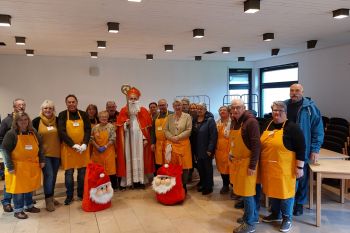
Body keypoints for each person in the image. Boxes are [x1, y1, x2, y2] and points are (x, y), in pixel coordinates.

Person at [261, 101, 305, 233]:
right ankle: (276, 214)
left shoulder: (293, 128)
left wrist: (300, 167)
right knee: (273, 193)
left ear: (285, 112)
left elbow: (301, 148)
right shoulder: (267, 124)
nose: (277, 113)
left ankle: (287, 218)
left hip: (286, 170)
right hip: (269, 168)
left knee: (286, 195)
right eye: (275, 110)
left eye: (280, 111)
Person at [285, 84, 324, 216]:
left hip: (303, 148)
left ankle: (299, 203)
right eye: (292, 90)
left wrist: (315, 149)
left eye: (297, 91)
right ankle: (286, 201)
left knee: (301, 177)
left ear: (302, 92)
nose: (294, 93)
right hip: (285, 148)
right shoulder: (284, 106)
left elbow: (318, 130)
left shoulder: (311, 108)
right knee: (286, 177)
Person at [2, 112, 45, 219]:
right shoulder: (11, 134)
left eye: (25, 119)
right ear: (16, 122)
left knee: (29, 187)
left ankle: (29, 206)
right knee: (19, 189)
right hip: (17, 167)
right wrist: (10, 166)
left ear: (28, 121)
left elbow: (40, 146)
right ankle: (18, 210)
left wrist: (42, 159)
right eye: (20, 120)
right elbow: (4, 150)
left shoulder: (33, 131)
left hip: (31, 166)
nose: (23, 122)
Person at [229, 99, 260, 233]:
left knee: (248, 194)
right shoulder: (235, 121)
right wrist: (231, 152)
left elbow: (256, 145)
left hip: (248, 163)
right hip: (238, 162)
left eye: (238, 108)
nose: (235, 110)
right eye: (233, 108)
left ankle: (250, 223)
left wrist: (252, 165)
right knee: (243, 192)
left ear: (244, 108)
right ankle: (248, 215)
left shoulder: (251, 122)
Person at [116, 87, 154, 188]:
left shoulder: (143, 111)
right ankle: (130, 180)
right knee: (129, 158)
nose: (133, 101)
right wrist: (125, 125)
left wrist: (145, 138)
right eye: (131, 99)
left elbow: (148, 129)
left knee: (140, 158)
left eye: (135, 99)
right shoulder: (124, 110)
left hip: (139, 140)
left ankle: (140, 180)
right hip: (128, 140)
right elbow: (119, 128)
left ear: (138, 99)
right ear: (128, 99)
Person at [58, 94, 91, 205]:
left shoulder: (83, 114)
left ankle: (81, 194)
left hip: (82, 149)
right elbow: (62, 131)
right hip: (69, 148)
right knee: (69, 173)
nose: (71, 104)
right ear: (66, 103)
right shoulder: (62, 115)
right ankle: (69, 196)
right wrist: (73, 145)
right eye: (69, 102)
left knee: (82, 173)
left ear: (77, 102)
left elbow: (87, 129)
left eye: (73, 102)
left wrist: (85, 144)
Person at [32, 100, 61, 211]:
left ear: (53, 109)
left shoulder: (58, 120)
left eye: (50, 108)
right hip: (44, 155)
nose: (48, 110)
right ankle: (48, 200)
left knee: (53, 177)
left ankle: (51, 197)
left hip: (57, 154)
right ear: (42, 109)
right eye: (45, 108)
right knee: (48, 176)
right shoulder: (36, 121)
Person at [0, 98, 26, 212]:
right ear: (14, 107)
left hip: (21, 155)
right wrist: (6, 152)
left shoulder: (25, 119)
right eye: (19, 105)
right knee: (10, 178)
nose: (21, 107)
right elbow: (0, 137)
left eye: (23, 105)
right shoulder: (6, 121)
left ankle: (23, 200)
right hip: (9, 154)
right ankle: (6, 201)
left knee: (21, 179)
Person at [164, 99, 192, 193]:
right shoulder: (169, 117)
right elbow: (165, 129)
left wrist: (178, 137)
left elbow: (188, 130)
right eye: (175, 105)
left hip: (183, 145)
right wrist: (172, 137)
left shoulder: (187, 116)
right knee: (173, 166)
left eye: (179, 105)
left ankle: (183, 185)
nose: (177, 107)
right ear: (173, 107)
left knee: (184, 166)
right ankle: (174, 184)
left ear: (182, 106)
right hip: (172, 144)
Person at [192, 103, 217, 195]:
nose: (199, 110)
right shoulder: (194, 120)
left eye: (201, 108)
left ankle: (209, 187)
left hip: (206, 150)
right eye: (198, 108)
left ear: (205, 109)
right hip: (197, 149)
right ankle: (203, 184)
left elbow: (213, 136)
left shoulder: (210, 120)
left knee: (208, 169)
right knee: (200, 169)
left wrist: (210, 149)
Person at [90, 111, 117, 190]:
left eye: (105, 117)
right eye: (102, 117)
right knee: (99, 170)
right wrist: (97, 147)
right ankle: (99, 186)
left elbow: (113, 138)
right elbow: (91, 139)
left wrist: (105, 146)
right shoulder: (95, 128)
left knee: (110, 170)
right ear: (99, 118)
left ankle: (112, 187)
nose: (104, 118)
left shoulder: (111, 127)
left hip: (109, 151)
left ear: (108, 118)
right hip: (97, 153)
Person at [151, 99, 173, 172]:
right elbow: (153, 131)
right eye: (160, 105)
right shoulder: (155, 116)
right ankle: (161, 178)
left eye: (163, 105)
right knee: (159, 162)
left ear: (167, 105)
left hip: (169, 143)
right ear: (158, 107)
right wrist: (153, 143)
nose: (162, 107)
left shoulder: (172, 114)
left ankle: (170, 178)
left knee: (168, 160)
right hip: (158, 143)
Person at [215, 106, 231, 194]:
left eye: (224, 110)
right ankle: (225, 185)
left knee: (231, 169)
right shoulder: (217, 122)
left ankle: (233, 186)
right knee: (222, 168)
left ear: (228, 112)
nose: (222, 111)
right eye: (220, 110)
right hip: (220, 149)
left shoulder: (232, 122)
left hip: (230, 149)